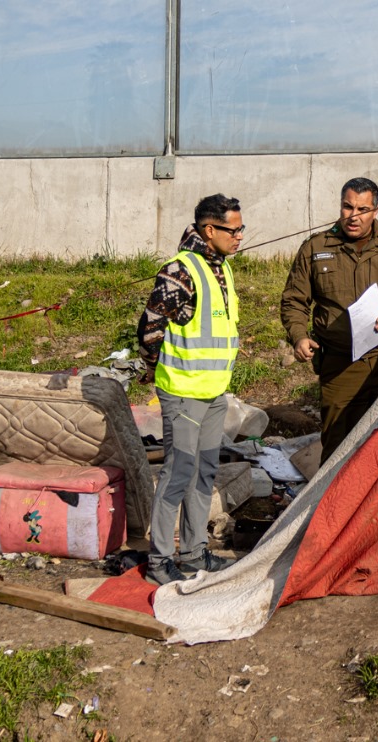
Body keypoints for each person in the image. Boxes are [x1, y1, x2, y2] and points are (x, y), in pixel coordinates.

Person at [280, 177, 378, 462]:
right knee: (338, 445)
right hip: (341, 365)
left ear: (376, 211)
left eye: (362, 209)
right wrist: (299, 335)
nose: (354, 216)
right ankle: (332, 504)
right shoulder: (315, 248)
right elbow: (293, 301)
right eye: (347, 207)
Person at [136, 194, 243, 586]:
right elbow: (150, 330)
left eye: (241, 229)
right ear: (209, 230)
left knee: (204, 471)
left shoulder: (222, 269)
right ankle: (160, 560)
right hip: (182, 391)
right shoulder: (180, 271)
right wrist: (153, 368)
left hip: (214, 392)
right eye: (234, 230)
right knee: (178, 473)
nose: (240, 237)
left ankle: (196, 552)